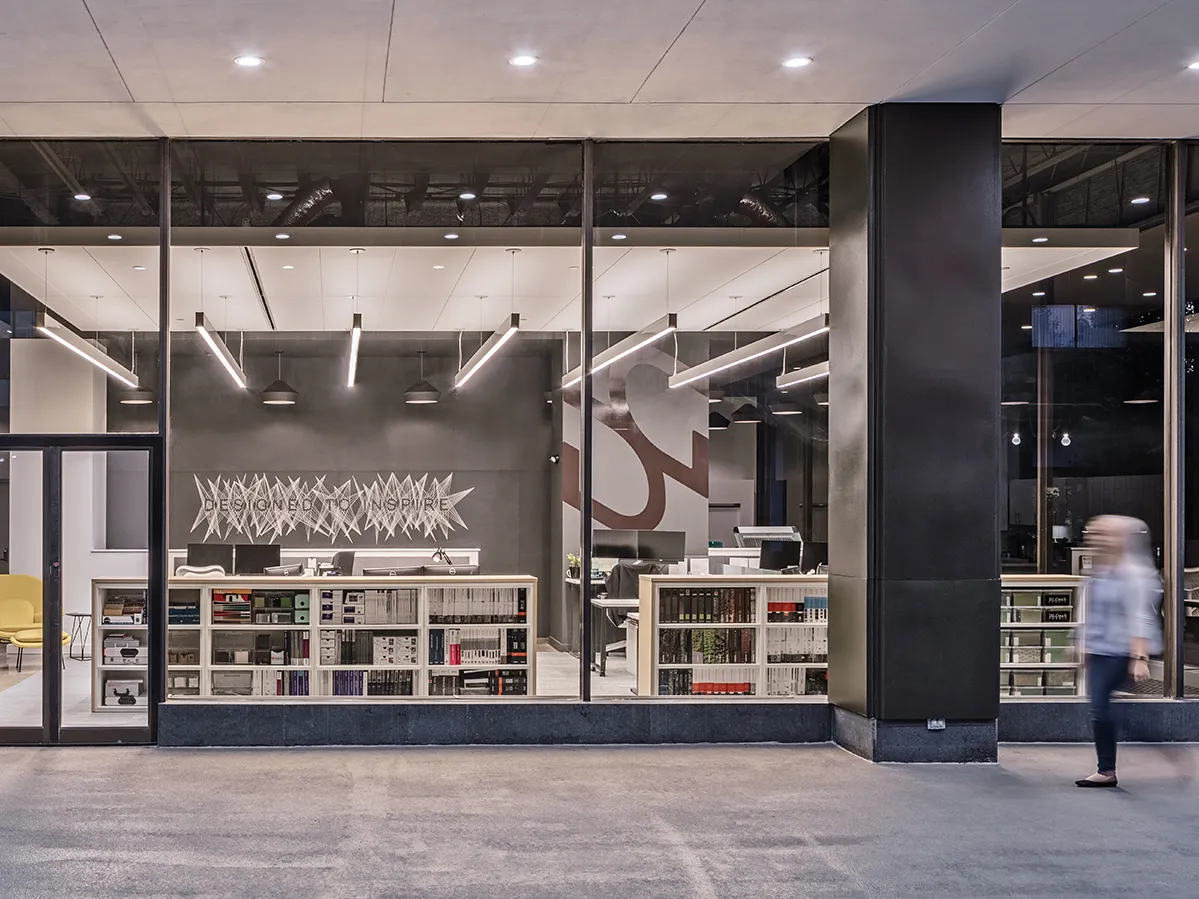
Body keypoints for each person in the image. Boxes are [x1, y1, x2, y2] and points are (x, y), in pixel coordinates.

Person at [1075, 515, 1162, 788]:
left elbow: (1141, 616)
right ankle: (1107, 768)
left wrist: (1140, 657)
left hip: (1120, 650)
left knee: (1101, 707)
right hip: (1100, 648)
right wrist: (1081, 645)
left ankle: (1109, 768)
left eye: (1105, 534)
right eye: (1095, 533)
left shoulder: (1134, 573)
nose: (1097, 538)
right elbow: (1091, 611)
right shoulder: (1099, 571)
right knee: (1099, 707)